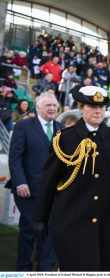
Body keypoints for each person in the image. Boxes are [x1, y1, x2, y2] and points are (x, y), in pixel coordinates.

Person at [34, 85, 110, 271]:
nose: (98, 111)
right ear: (81, 107)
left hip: (106, 221)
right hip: (72, 219)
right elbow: (49, 179)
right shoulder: (65, 138)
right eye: (92, 106)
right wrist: (40, 216)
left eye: (101, 107)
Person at [7, 92, 61, 271]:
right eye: (48, 105)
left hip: (54, 194)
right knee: (30, 231)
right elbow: (15, 158)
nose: (52, 108)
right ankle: (23, 269)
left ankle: (45, 269)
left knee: (49, 232)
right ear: (38, 108)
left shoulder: (62, 129)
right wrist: (20, 182)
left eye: (54, 105)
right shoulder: (24, 126)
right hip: (28, 191)